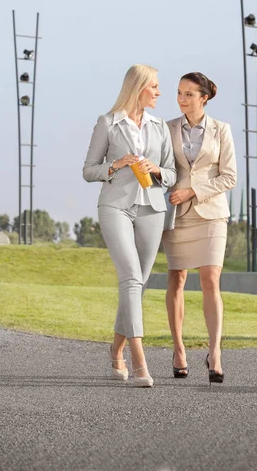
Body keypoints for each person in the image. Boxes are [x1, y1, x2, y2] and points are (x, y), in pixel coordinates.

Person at [83, 64, 176, 387]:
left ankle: (116, 350)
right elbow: (88, 170)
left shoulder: (160, 126)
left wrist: (158, 170)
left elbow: (173, 173)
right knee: (131, 278)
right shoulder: (108, 123)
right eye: (154, 87)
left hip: (152, 208)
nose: (159, 93)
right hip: (115, 207)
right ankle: (140, 362)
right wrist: (115, 165)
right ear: (138, 88)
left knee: (138, 284)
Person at [162, 72, 237, 384]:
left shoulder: (222, 130)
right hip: (177, 215)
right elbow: (164, 169)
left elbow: (229, 177)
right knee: (177, 279)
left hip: (211, 214)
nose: (182, 99)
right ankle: (178, 349)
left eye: (189, 94)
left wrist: (194, 190)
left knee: (210, 280)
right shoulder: (166, 129)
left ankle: (215, 352)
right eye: (179, 93)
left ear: (204, 98)